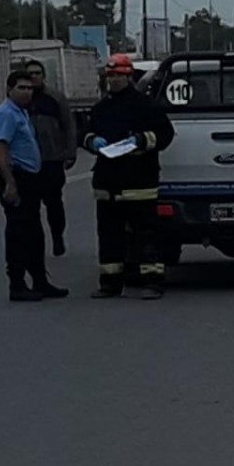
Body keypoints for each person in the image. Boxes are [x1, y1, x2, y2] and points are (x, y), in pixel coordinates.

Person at [83, 53, 175, 300]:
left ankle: (152, 282)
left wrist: (142, 140)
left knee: (146, 235)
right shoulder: (100, 108)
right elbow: (87, 134)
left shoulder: (146, 106)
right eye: (110, 75)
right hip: (107, 182)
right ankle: (110, 283)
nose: (113, 80)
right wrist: (93, 142)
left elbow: (165, 134)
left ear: (129, 76)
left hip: (139, 182)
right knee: (109, 237)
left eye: (118, 75)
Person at [0, 70, 68, 302]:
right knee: (18, 234)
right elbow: (0, 148)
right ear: (9, 90)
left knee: (34, 234)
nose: (27, 92)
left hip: (31, 179)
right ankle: (17, 284)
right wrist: (10, 183)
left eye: (30, 88)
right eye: (21, 88)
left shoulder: (21, 112)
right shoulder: (6, 113)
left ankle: (40, 281)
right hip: (17, 178)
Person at [24, 59, 78, 257]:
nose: (34, 77)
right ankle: (35, 242)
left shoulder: (55, 98)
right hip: (28, 163)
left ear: (43, 76)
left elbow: (69, 126)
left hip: (52, 160)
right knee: (30, 206)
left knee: (54, 203)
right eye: (30, 73)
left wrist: (70, 152)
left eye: (37, 73)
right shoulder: (21, 100)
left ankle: (57, 236)